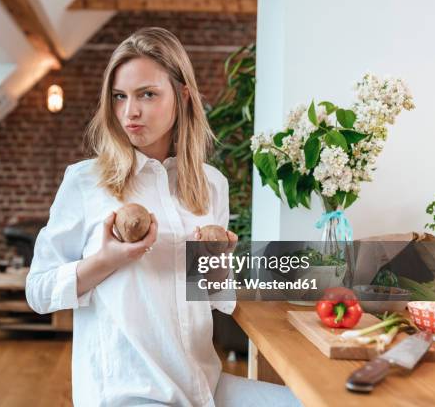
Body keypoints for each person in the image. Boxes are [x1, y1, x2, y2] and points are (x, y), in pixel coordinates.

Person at [26, 27, 301, 407]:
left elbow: (212, 299)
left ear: (183, 97)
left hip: (201, 385)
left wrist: (217, 263)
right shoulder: (85, 181)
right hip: (126, 393)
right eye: (120, 97)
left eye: (147, 95)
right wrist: (105, 261)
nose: (130, 111)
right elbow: (37, 291)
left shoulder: (211, 185)